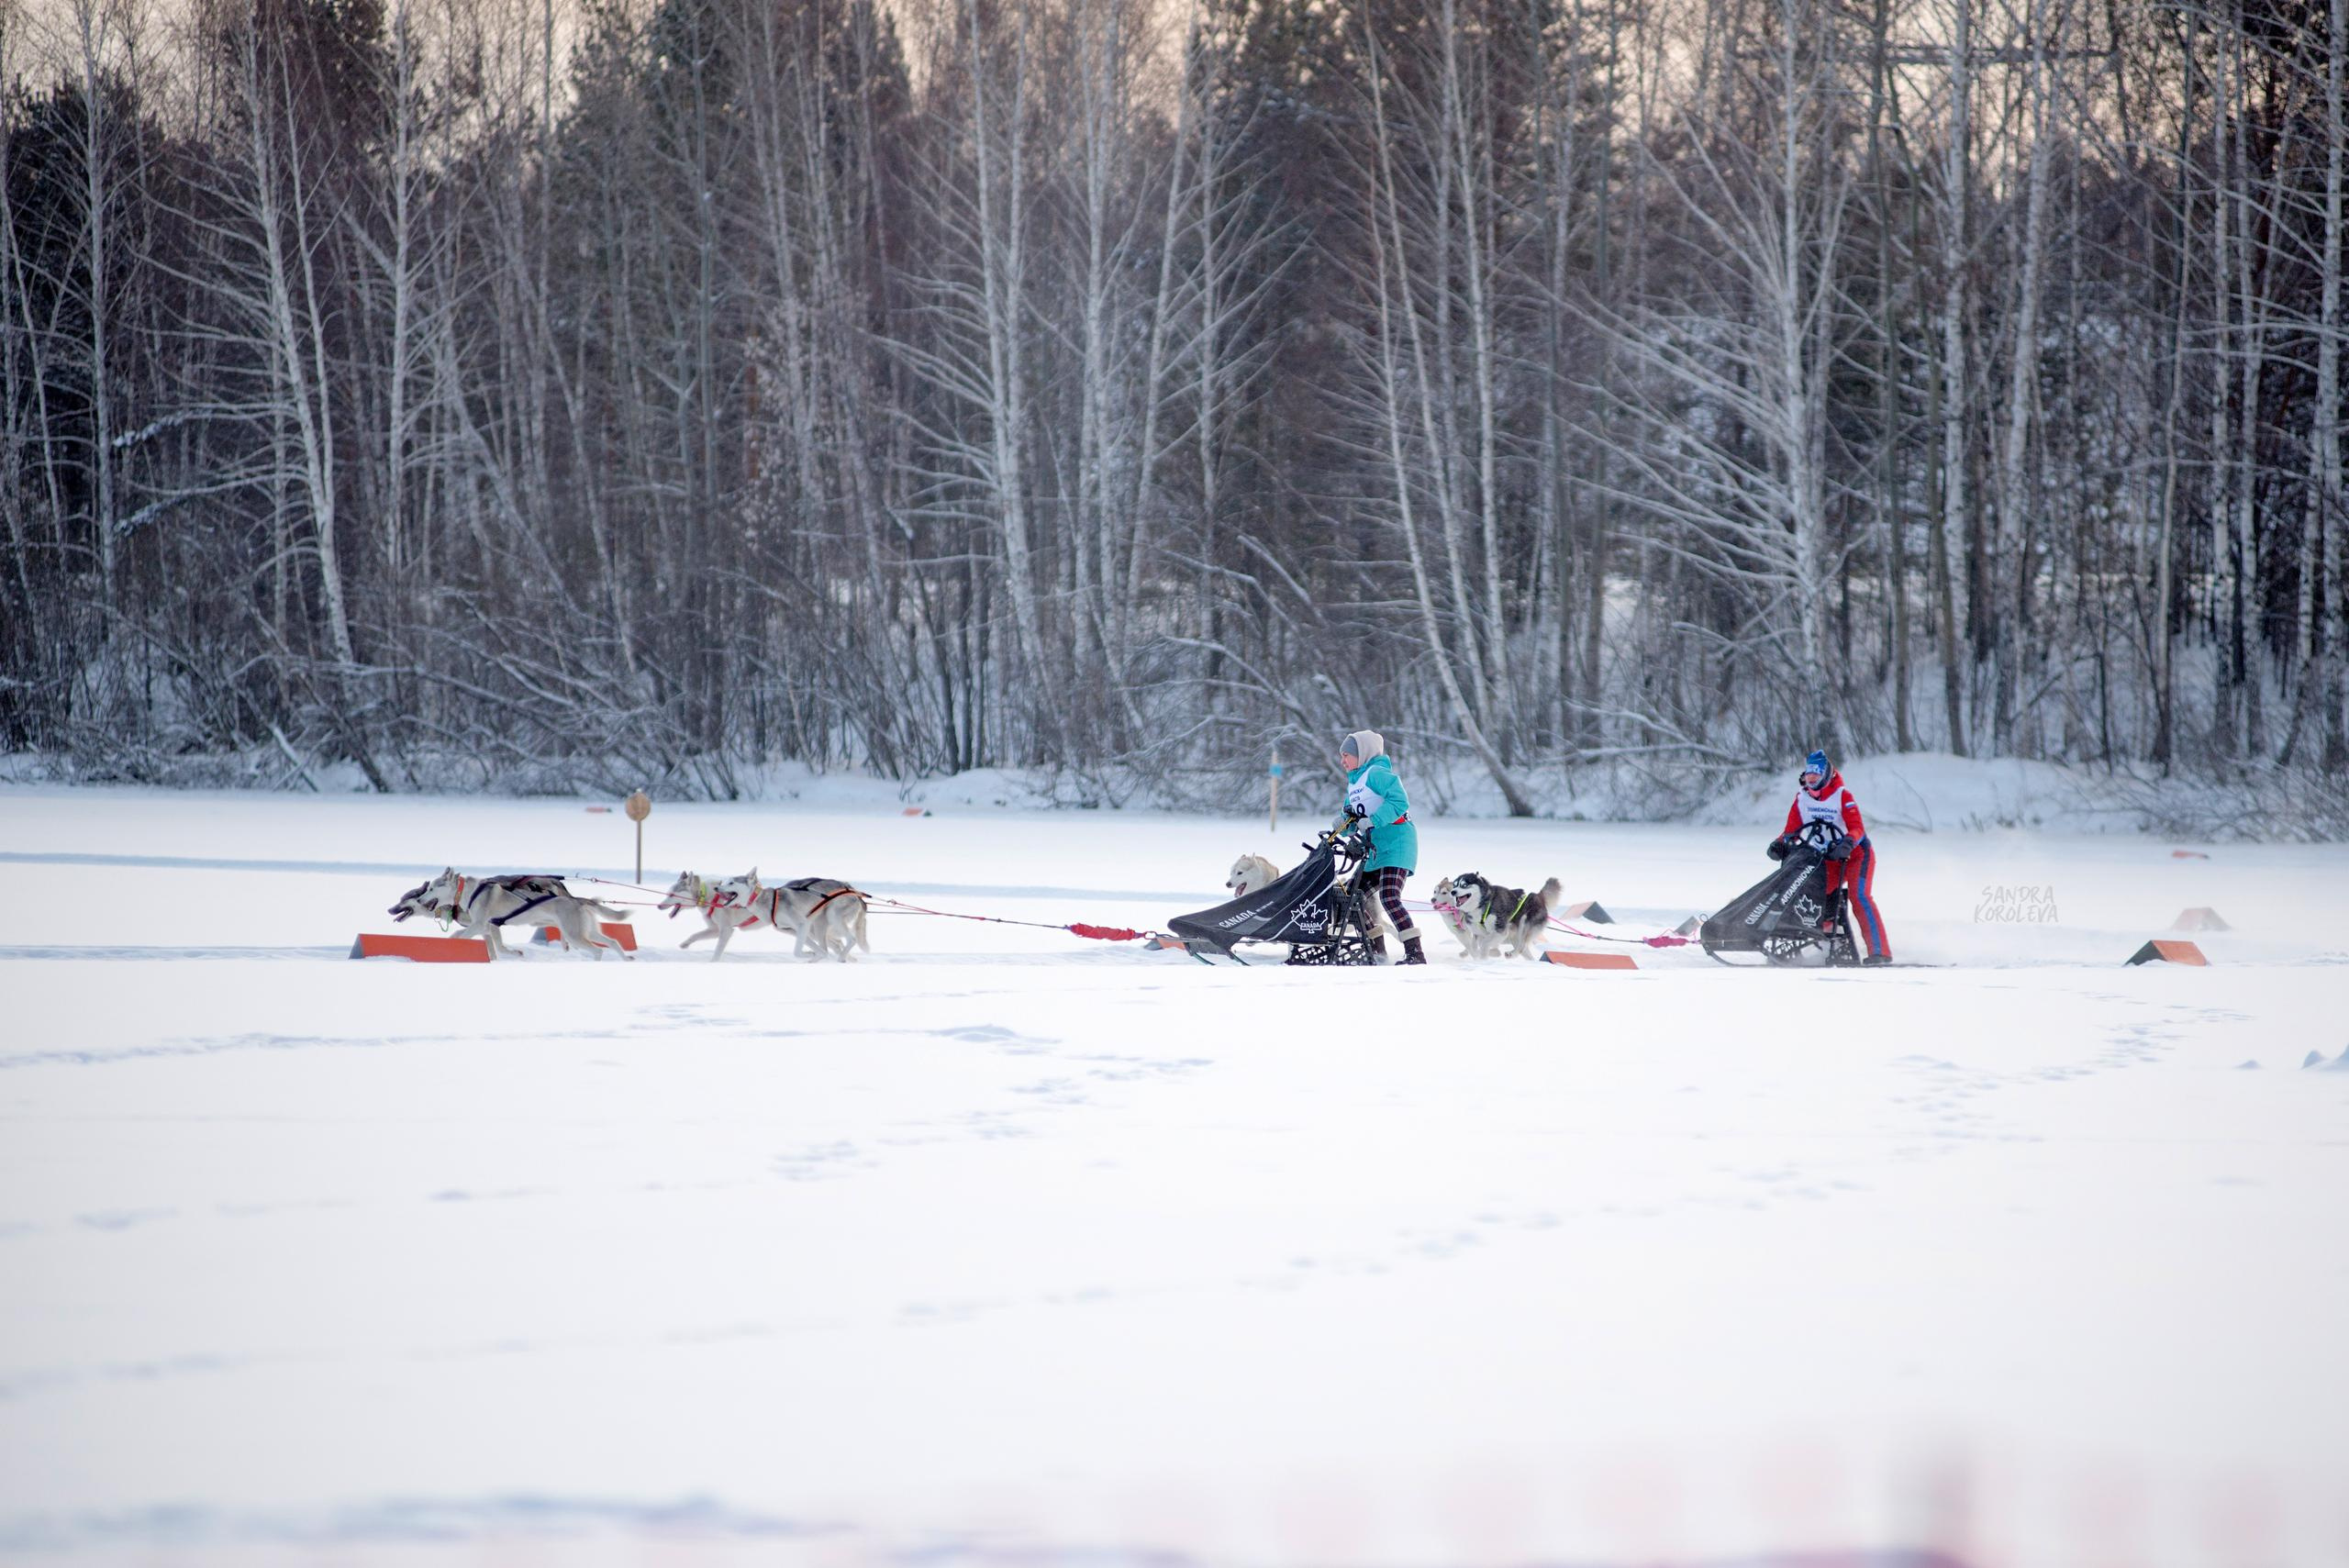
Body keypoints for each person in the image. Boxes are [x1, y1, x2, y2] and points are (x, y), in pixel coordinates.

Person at [1768, 749, 1891, 965]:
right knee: (1810, 892)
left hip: (1855, 855)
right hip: (1826, 858)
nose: (1812, 778)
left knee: (1859, 897)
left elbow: (1857, 828)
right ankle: (1829, 937)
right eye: (1809, 774)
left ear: (1826, 775)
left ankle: (1880, 951)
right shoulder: (1802, 799)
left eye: (1817, 773)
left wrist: (1847, 842)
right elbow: (1791, 831)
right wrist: (1779, 844)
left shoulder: (1842, 795)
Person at [1335, 729, 1425, 966]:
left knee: (1389, 896)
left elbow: (1399, 801)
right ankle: (1377, 951)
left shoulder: (1377, 773)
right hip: (1374, 851)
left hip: (1397, 843)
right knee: (1351, 898)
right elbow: (1351, 818)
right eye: (1341, 756)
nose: (1343, 761)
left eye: (1346, 755)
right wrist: (1341, 826)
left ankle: (1415, 954)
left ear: (1362, 753)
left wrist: (1374, 820)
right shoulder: (1354, 783)